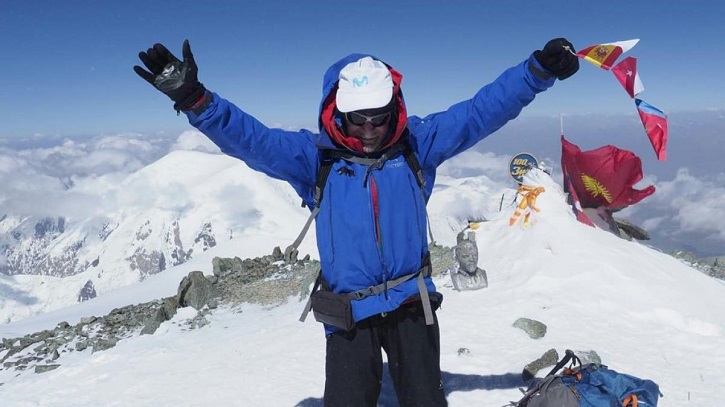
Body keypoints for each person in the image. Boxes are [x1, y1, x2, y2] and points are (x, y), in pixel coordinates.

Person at [134, 38, 579, 406]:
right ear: (338, 111)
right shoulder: (315, 159)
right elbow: (251, 140)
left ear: (394, 107)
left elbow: (483, 111)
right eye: (358, 117)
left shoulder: (417, 145)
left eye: (379, 116)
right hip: (348, 312)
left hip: (412, 303)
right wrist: (195, 100)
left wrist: (536, 72)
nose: (369, 128)